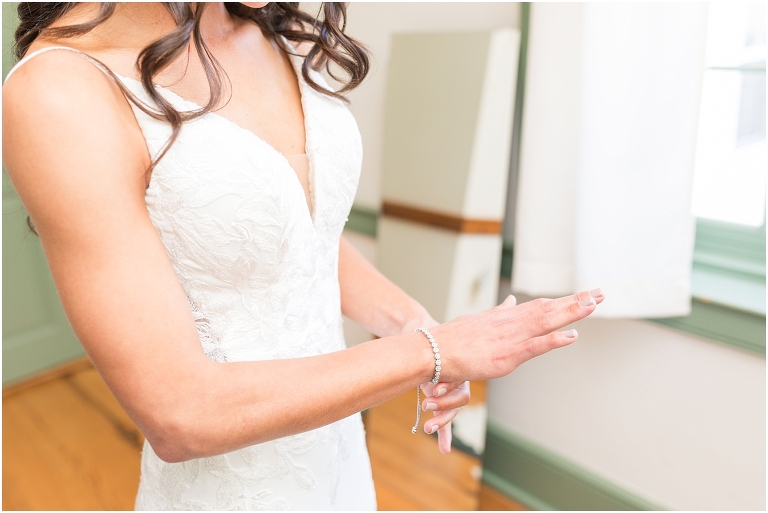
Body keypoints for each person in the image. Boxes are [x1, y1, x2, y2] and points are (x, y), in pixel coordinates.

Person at [2, 2, 604, 510]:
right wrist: (430, 352)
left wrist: (411, 321)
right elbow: (182, 413)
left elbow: (298, 236)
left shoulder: (268, 27)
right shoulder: (61, 91)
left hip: (339, 459)